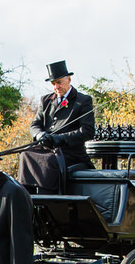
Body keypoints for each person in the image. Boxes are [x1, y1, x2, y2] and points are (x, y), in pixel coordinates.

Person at [19, 61, 96, 192]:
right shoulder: (46, 100)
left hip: (70, 152)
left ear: (69, 79)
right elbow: (35, 124)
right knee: (25, 154)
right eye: (53, 84)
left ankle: (47, 198)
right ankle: (27, 196)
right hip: (47, 148)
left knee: (47, 160)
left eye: (59, 82)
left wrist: (58, 138)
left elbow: (87, 131)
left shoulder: (83, 101)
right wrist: (39, 135)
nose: (56, 87)